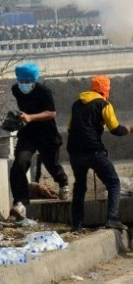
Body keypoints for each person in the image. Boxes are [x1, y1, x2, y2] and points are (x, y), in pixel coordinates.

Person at [67, 75, 133, 232]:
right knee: (113, 183)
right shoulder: (104, 104)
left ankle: (76, 225)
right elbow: (115, 129)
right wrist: (128, 130)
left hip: (75, 151)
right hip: (94, 150)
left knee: (80, 187)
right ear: (105, 89)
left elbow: (70, 128)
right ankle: (112, 219)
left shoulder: (77, 104)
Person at [9, 63, 69, 219]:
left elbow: (52, 113)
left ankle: (63, 184)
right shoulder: (16, 89)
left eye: (27, 81)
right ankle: (19, 203)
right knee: (19, 165)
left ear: (34, 80)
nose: (23, 84)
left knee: (52, 165)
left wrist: (31, 117)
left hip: (47, 134)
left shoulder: (44, 91)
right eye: (21, 81)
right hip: (28, 134)